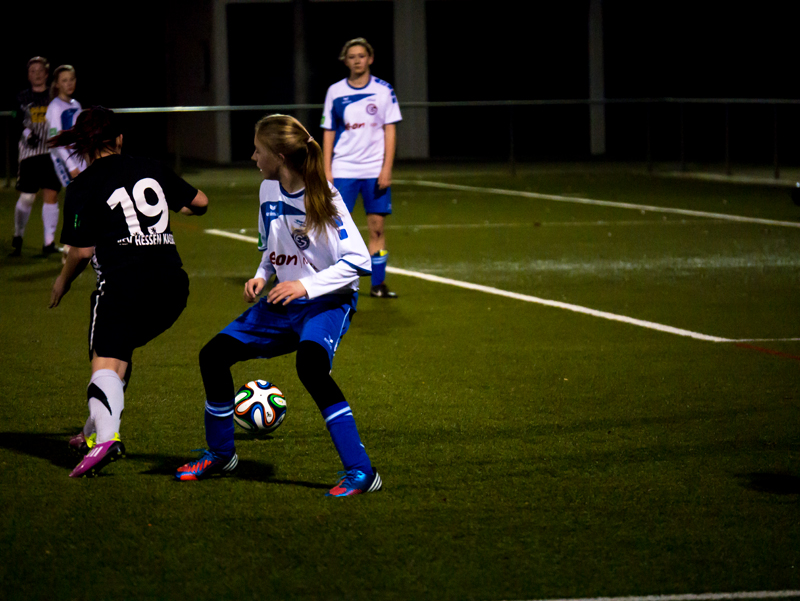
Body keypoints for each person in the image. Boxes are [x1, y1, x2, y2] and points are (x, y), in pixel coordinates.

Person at [176, 114, 382, 497]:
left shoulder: (327, 198)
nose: (253, 156)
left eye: (259, 150)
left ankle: (362, 472)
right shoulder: (267, 191)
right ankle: (221, 454)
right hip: (283, 298)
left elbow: (359, 262)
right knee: (213, 355)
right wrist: (260, 275)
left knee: (311, 367)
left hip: (326, 301)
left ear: (281, 156)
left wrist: (305, 287)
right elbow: (271, 249)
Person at [48, 106, 209, 478]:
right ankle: (92, 430)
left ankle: (106, 438)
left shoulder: (82, 186)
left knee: (104, 359)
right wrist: (180, 207)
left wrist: (62, 281)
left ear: (83, 145)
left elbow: (81, 251)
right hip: (172, 287)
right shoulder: (150, 167)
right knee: (118, 357)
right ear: (119, 139)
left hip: (124, 284)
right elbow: (199, 202)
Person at [321, 37, 402, 298]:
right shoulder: (335, 91)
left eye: (361, 55)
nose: (357, 60)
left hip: (373, 171)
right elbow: (329, 132)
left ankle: (377, 285)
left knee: (377, 227)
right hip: (343, 168)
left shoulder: (383, 90)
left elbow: (390, 130)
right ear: (346, 61)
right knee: (334, 228)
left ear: (370, 59)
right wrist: (327, 168)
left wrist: (386, 168)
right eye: (352, 56)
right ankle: (330, 282)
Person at [10, 56, 63, 257]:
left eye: (40, 70)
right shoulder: (22, 97)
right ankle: (18, 235)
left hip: (51, 153)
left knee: (51, 194)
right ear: (28, 75)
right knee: (27, 196)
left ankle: (48, 243)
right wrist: (27, 134)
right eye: (33, 71)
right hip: (29, 154)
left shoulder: (55, 96)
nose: (37, 74)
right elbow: (16, 122)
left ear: (47, 73)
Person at [46, 64, 87, 262]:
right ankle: (69, 247)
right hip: (64, 161)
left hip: (78, 158)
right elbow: (54, 141)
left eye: (71, 79)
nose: (69, 84)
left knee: (85, 199)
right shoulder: (54, 107)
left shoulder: (75, 105)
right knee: (76, 199)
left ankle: (82, 243)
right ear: (57, 84)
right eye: (64, 80)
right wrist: (71, 167)